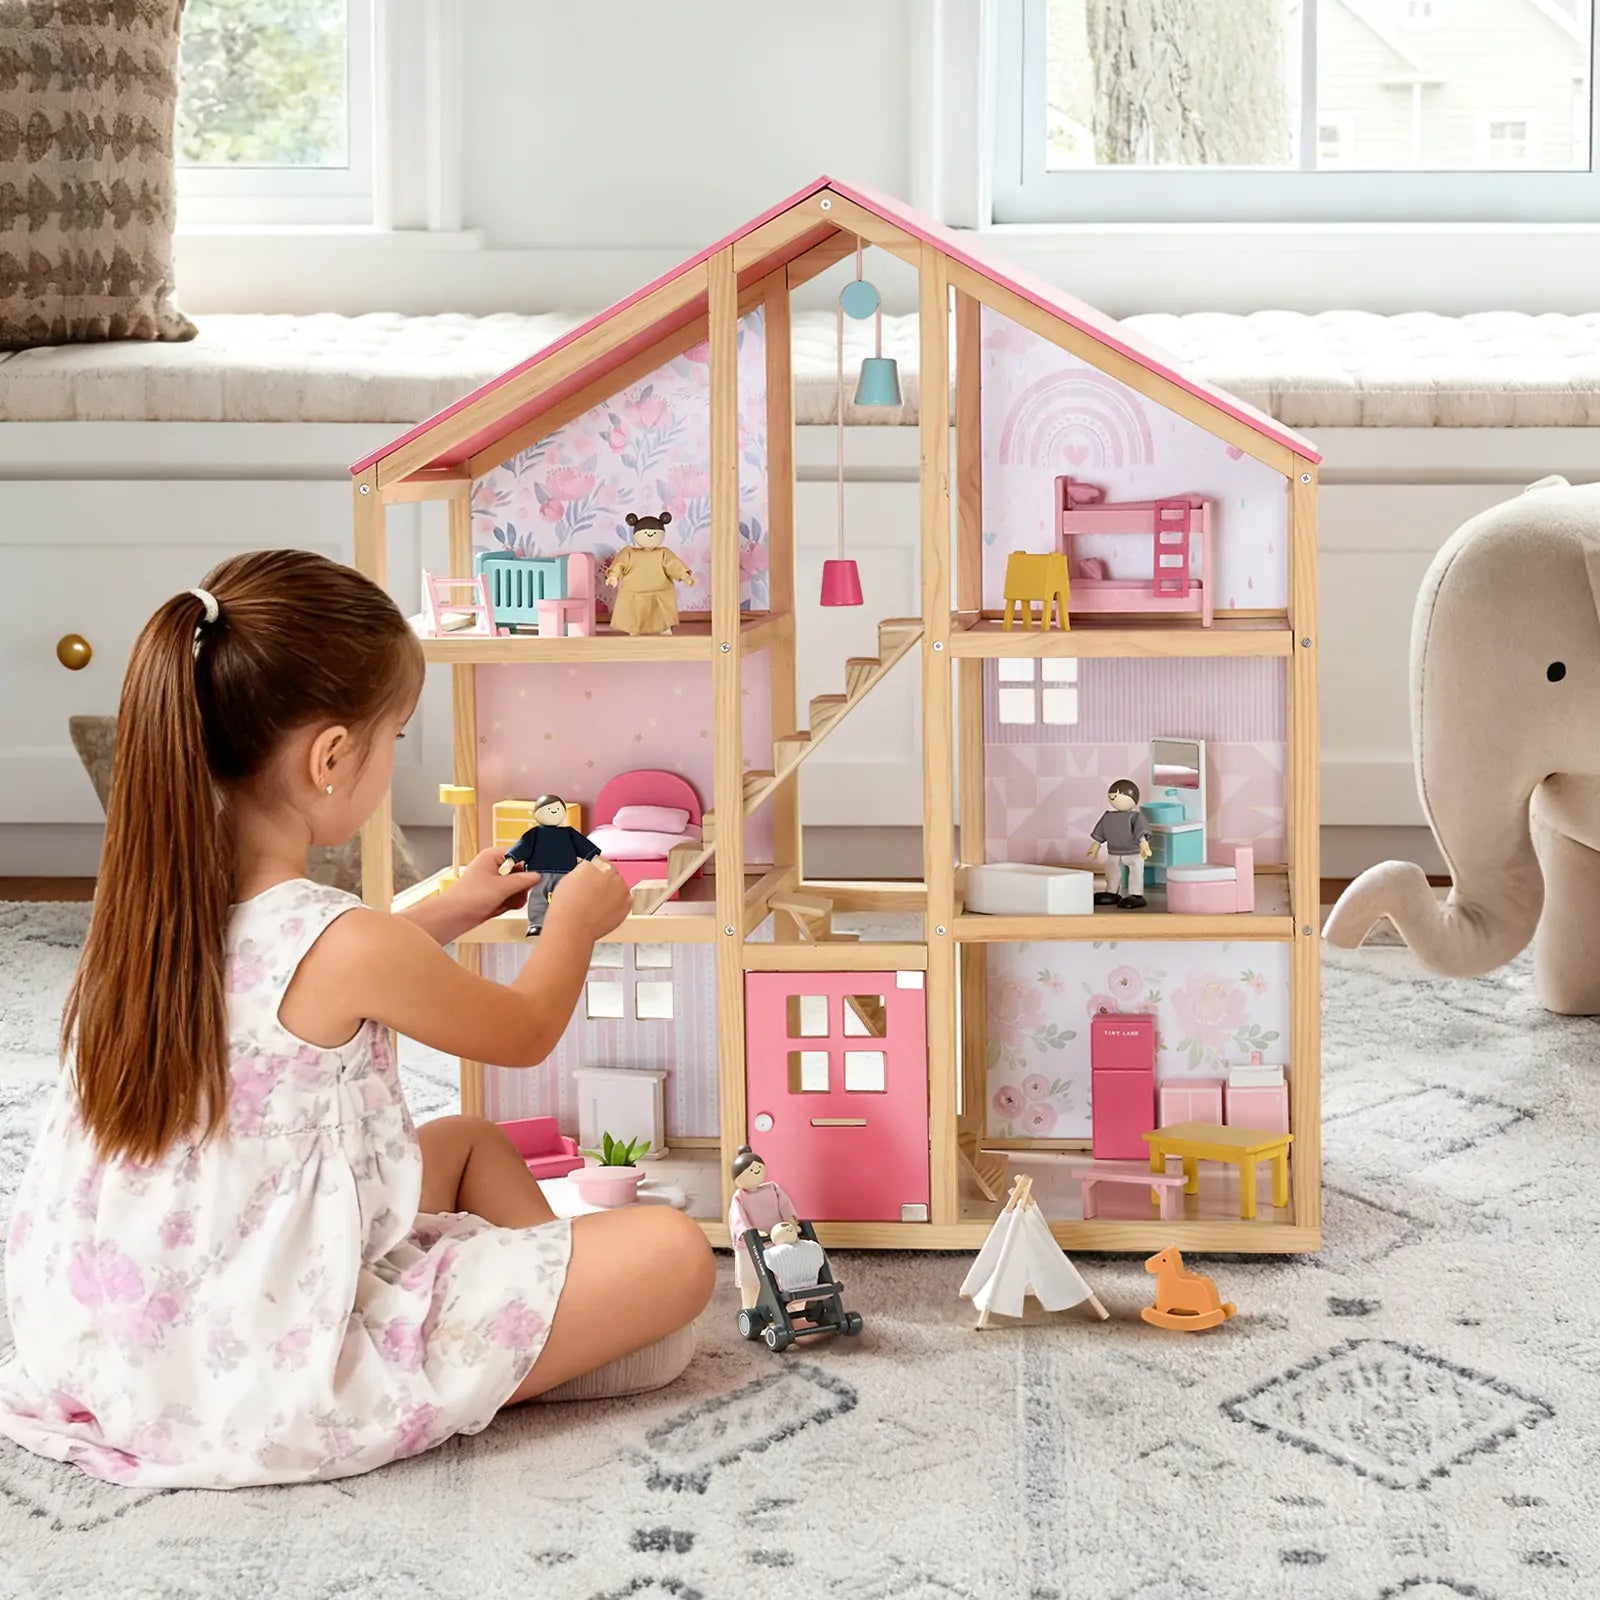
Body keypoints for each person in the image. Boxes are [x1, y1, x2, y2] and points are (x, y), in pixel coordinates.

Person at [0, 550, 714, 1490]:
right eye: (395, 737)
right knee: (675, 1256)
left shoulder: (150, 914)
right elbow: (523, 1029)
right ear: (331, 758)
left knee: (470, 1142)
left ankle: (540, 1310)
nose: (391, 758)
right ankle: (530, 1342)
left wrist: (454, 908)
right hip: (268, 1380)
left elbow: (301, 982)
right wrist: (577, 920)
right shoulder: (345, 941)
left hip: (130, 1342)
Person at [496, 795, 602, 936]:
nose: (553, 811)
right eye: (548, 809)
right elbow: (522, 847)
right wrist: (510, 862)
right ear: (537, 813)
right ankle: (538, 924)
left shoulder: (569, 833)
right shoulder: (534, 834)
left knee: (566, 897)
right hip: (539, 873)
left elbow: (583, 847)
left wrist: (596, 861)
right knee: (537, 897)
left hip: (565, 872)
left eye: (557, 808)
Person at [603, 511, 695, 635]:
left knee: (661, 612)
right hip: (634, 592)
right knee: (635, 612)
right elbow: (620, 564)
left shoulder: (664, 553)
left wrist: (685, 576)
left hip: (660, 591)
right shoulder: (629, 553)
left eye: (654, 533)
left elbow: (674, 565)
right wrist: (613, 576)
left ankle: (664, 628)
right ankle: (635, 629)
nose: (650, 535)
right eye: (646, 533)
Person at [1087, 777, 1153, 909]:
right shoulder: (1108, 817)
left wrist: (1144, 845)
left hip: (1133, 852)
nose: (1113, 798)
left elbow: (1140, 831)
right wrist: (1094, 847)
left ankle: (1136, 894)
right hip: (1114, 852)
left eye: (1117, 795)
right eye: (1111, 795)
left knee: (1136, 870)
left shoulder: (1135, 816)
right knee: (1111, 870)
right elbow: (1100, 833)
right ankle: (1111, 892)